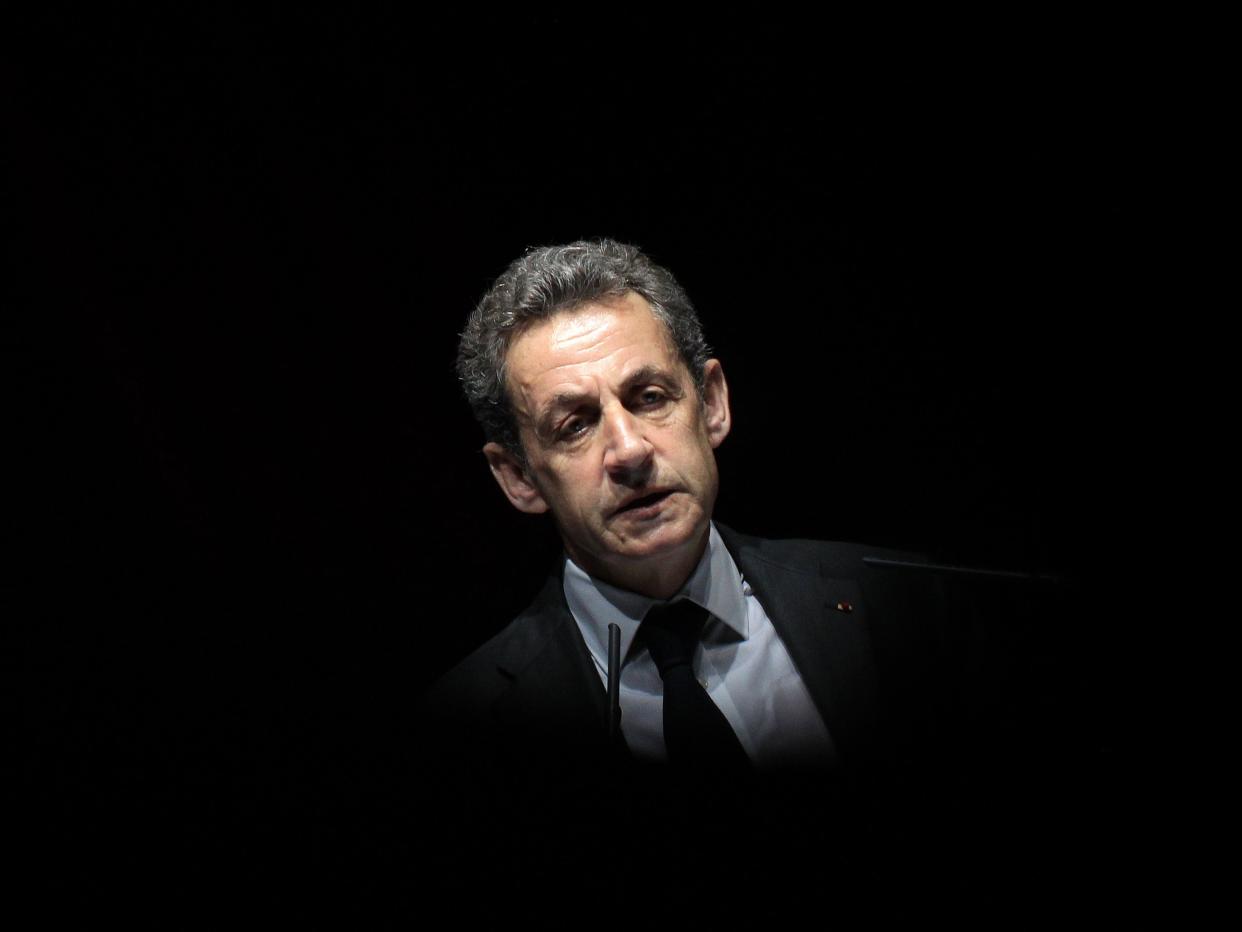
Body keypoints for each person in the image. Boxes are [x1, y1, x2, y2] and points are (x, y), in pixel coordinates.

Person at [421, 239, 1006, 916]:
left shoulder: (905, 607)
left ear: (713, 404)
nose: (630, 450)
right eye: (575, 425)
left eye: (649, 396)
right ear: (519, 477)